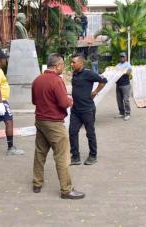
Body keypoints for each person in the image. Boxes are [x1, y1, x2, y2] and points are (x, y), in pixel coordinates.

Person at [31, 53, 85, 199]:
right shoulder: (56, 81)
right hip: (54, 123)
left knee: (40, 153)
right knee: (62, 156)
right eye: (63, 65)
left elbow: (35, 101)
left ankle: (37, 183)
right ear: (57, 66)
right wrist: (69, 101)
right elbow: (63, 103)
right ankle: (66, 189)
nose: (64, 67)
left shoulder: (37, 80)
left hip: (40, 120)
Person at [69, 54, 107, 166]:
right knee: (72, 132)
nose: (71, 64)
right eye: (71, 62)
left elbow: (103, 80)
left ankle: (93, 155)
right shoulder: (74, 73)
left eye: (73, 62)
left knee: (90, 133)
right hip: (75, 110)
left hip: (87, 110)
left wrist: (95, 92)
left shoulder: (89, 73)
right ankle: (75, 157)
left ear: (81, 63)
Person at [115, 52, 132, 121]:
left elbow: (129, 72)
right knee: (119, 100)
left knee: (126, 100)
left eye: (123, 57)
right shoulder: (118, 65)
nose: (122, 58)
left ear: (126, 57)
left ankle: (128, 114)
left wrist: (123, 71)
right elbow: (114, 71)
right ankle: (121, 113)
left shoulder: (128, 64)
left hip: (125, 85)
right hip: (118, 85)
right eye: (121, 57)